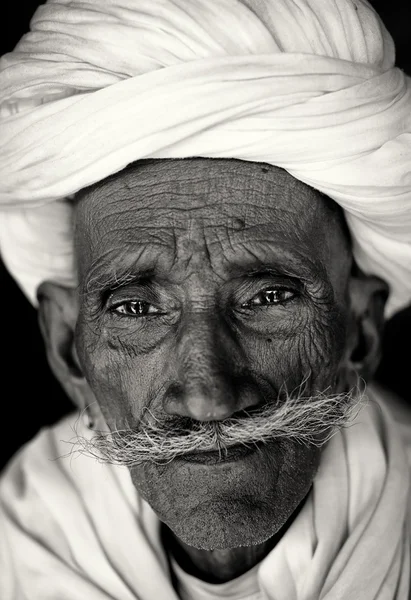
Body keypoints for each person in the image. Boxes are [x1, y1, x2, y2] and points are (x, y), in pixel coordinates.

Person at [1, 1, 411, 598]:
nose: (210, 396)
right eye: (137, 310)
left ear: (360, 335)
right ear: (68, 349)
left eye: (269, 297)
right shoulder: (19, 549)